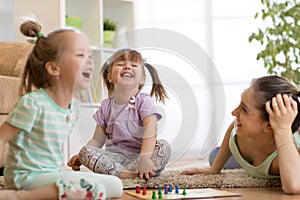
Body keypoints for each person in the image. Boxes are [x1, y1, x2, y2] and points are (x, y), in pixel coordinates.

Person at [0, 19, 123, 200]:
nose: (89, 61)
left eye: (89, 55)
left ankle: (54, 192)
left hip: (52, 174)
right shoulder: (33, 103)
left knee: (115, 185)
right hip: (26, 178)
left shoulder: (73, 106)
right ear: (54, 68)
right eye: (80, 55)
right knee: (92, 189)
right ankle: (17, 196)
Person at [181, 75, 300, 194]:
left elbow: (294, 186)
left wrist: (283, 129)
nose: (233, 112)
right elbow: (233, 127)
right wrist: (214, 168)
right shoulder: (242, 130)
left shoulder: (279, 159)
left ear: (269, 125)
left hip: (273, 154)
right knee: (214, 157)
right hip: (246, 155)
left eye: (244, 109)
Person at [68, 48, 172, 180]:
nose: (128, 66)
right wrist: (81, 157)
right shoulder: (106, 106)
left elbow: (151, 130)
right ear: (110, 77)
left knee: (164, 146)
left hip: (140, 156)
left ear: (142, 79)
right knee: (85, 151)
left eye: (134, 65)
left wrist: (145, 158)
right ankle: (128, 175)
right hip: (115, 160)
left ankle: (141, 170)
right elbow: (96, 140)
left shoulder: (144, 101)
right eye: (121, 64)